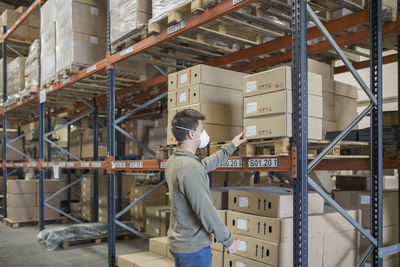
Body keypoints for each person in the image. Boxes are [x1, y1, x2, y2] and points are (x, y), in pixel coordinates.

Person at [165, 109, 247, 267]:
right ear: (191, 134)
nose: (204, 133)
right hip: (193, 248)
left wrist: (231, 146)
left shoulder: (175, 161)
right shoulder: (189, 168)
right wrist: (228, 240)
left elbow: (203, 165)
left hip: (181, 242)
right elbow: (205, 210)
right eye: (201, 130)